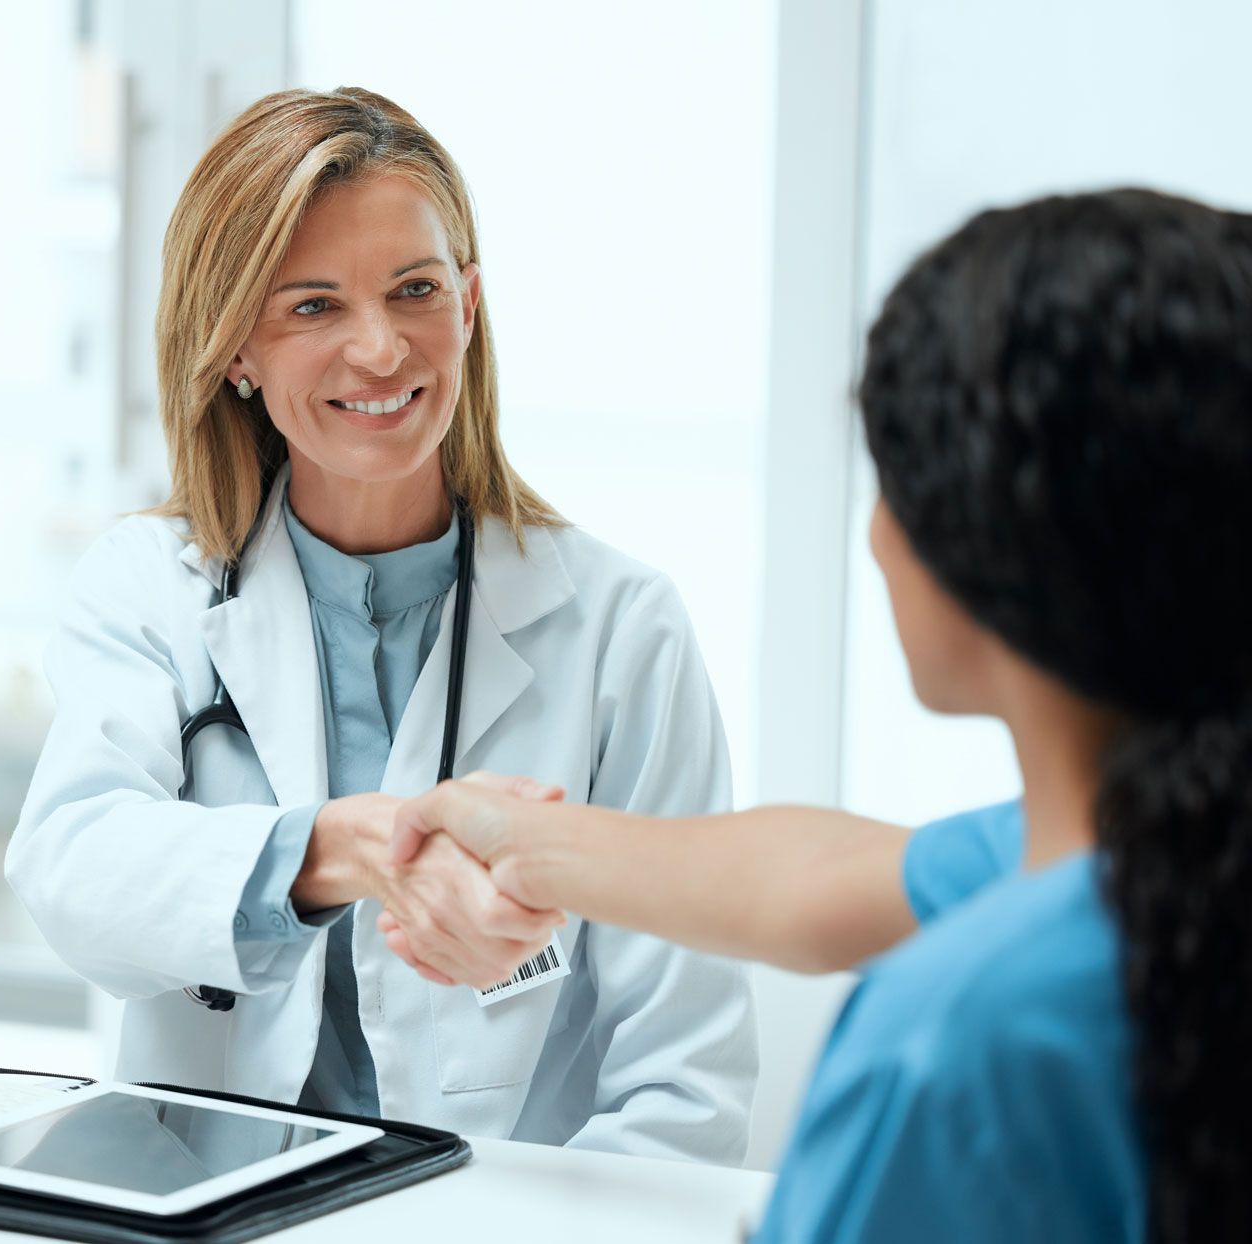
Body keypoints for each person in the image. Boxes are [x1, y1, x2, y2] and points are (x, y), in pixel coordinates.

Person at [385, 189, 1252, 1240]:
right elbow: (819, 878)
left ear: (982, 549)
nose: (878, 534)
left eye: (889, 482)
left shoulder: (959, 1036)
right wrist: (524, 843)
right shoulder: (1165, 846)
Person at [7, 87, 756, 1159]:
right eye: (313, 305)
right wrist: (345, 849)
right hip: (211, 1210)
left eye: (414, 290)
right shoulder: (152, 587)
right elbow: (72, 866)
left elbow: (684, 1089)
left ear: (469, 305)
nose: (381, 349)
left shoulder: (620, 631)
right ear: (234, 351)